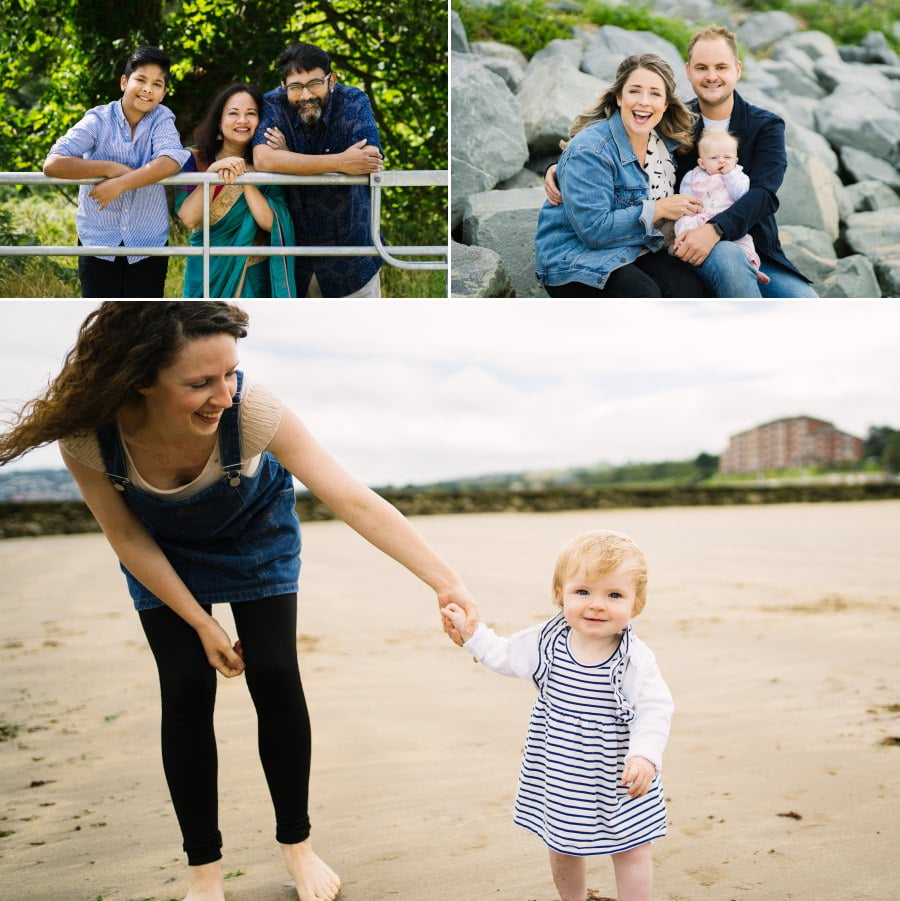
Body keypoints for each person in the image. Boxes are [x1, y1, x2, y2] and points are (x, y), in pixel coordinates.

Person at [0, 302, 478, 901]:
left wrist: (445, 580)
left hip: (255, 536)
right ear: (141, 379)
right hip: (160, 552)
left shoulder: (253, 411)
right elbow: (126, 537)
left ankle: (298, 848)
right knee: (185, 688)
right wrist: (201, 623)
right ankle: (205, 874)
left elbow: (348, 496)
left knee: (276, 674)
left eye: (231, 373)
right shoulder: (89, 438)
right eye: (199, 382)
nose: (223, 395)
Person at [441, 530, 673, 901]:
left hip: (621, 773)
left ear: (636, 603)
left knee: (632, 846)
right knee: (564, 844)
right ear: (559, 593)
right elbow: (503, 654)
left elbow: (655, 709)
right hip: (564, 769)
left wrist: (644, 754)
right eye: (583, 592)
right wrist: (473, 635)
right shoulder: (546, 642)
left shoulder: (634, 659)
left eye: (614, 595)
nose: (597, 605)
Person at [545, 26, 817, 297]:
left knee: (806, 306)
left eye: (721, 67)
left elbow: (764, 194)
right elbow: (616, 144)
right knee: (719, 271)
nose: (711, 76)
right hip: (690, 239)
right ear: (688, 71)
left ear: (738, 69)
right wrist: (559, 169)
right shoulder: (676, 125)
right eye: (702, 68)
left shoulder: (766, 126)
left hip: (753, 242)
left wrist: (715, 230)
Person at [534, 54, 707, 297]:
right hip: (574, 255)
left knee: (691, 290)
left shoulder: (667, 143)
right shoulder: (591, 150)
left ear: (666, 103)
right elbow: (594, 231)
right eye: (635, 91)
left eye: (655, 94)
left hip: (636, 247)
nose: (644, 102)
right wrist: (658, 210)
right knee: (643, 295)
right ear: (619, 97)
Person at [42, 46, 191, 298]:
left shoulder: (162, 118)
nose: (147, 89)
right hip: (97, 241)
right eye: (141, 80)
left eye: (157, 84)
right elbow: (53, 163)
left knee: (147, 319)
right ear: (124, 82)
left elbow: (170, 160)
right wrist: (109, 168)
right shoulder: (98, 120)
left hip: (148, 243)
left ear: (163, 93)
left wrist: (121, 183)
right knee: (102, 315)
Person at [252, 42, 385, 298]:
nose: (305, 95)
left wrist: (289, 157)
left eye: (313, 84)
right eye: (295, 87)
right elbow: (264, 160)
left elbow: (370, 157)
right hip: (296, 261)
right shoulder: (273, 104)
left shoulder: (354, 100)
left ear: (331, 80)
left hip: (352, 261)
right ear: (283, 86)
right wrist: (340, 162)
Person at [175, 83, 296, 297]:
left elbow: (273, 223)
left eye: (251, 114)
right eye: (233, 113)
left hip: (253, 274)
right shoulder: (193, 158)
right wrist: (211, 176)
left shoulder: (268, 163)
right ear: (219, 122)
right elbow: (188, 218)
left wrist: (246, 180)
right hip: (205, 269)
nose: (242, 121)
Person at [673, 128, 769, 284]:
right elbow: (685, 195)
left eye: (727, 157)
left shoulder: (739, 176)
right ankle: (682, 245)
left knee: (745, 244)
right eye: (714, 157)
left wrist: (730, 175)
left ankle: (752, 270)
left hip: (729, 223)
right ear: (702, 163)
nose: (722, 161)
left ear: (736, 160)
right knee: (683, 222)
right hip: (701, 218)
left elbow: (742, 196)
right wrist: (690, 207)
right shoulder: (693, 175)